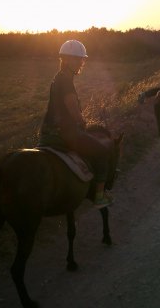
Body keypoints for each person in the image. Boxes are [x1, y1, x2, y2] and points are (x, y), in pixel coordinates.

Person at [38, 40, 113, 208]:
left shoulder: (58, 78)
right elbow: (74, 111)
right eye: (78, 59)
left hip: (47, 134)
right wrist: (82, 122)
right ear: (67, 60)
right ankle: (99, 196)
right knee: (102, 151)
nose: (82, 62)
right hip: (65, 133)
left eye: (82, 59)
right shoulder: (65, 81)